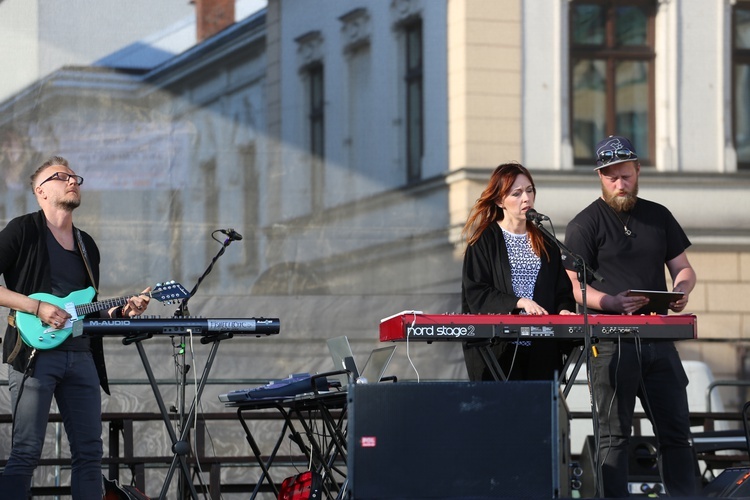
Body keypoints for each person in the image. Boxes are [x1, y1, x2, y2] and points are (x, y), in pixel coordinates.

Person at [0, 156, 151, 499]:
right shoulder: (22, 230)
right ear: (40, 191)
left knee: (89, 455)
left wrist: (122, 310)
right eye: (61, 177)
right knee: (26, 452)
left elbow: (87, 308)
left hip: (81, 356)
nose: (72, 181)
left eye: (75, 177)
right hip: (35, 355)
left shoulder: (87, 245)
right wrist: (36, 306)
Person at [564, 135, 699, 497]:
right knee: (614, 436)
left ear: (638, 171)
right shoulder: (584, 224)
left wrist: (681, 291)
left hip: (658, 339)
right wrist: (609, 302)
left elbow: (683, 269)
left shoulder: (658, 216)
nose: (619, 184)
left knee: (676, 432)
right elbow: (574, 286)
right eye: (611, 177)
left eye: (625, 176)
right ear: (600, 177)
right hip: (611, 343)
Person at [461, 162, 576, 381]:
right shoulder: (484, 240)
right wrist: (519, 302)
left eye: (530, 190)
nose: (526, 198)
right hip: (501, 351)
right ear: (499, 200)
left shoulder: (546, 241)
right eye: (517, 193)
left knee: (540, 411)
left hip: (541, 349)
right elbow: (477, 293)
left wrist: (563, 311)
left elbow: (562, 291)